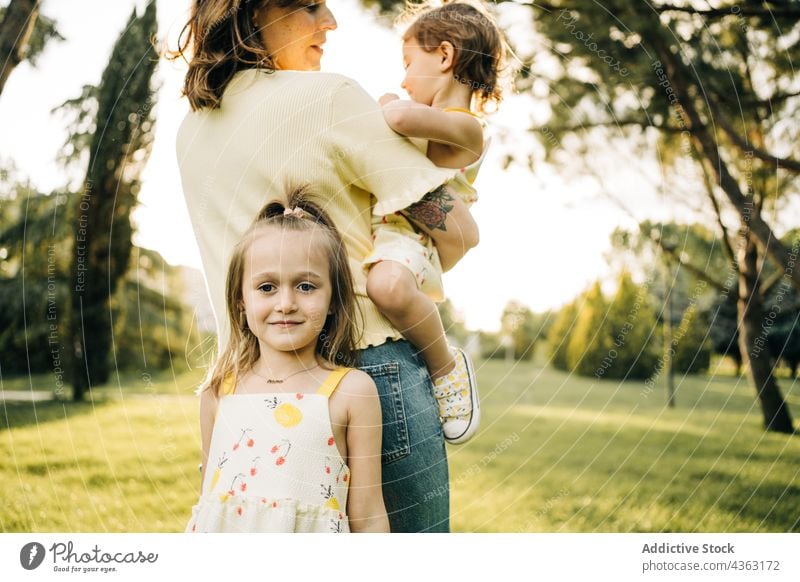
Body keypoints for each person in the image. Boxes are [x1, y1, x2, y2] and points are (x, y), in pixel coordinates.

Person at [172, 0, 479, 532]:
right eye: (310, 5)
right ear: (254, 10)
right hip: (369, 368)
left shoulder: (190, 132)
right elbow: (459, 229)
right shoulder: (328, 98)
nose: (330, 21)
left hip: (247, 390)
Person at [185, 187, 389, 533]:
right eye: (267, 287)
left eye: (306, 286)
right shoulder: (219, 391)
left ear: (334, 300)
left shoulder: (351, 392)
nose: (286, 303)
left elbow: (368, 518)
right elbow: (209, 503)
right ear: (240, 300)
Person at [365, 1, 507, 444]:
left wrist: (387, 101)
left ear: (445, 57)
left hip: (413, 237)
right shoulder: (433, 122)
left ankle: (446, 365)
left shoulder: (468, 128)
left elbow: (400, 117)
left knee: (387, 287)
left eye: (409, 64)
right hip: (388, 227)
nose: (403, 79)